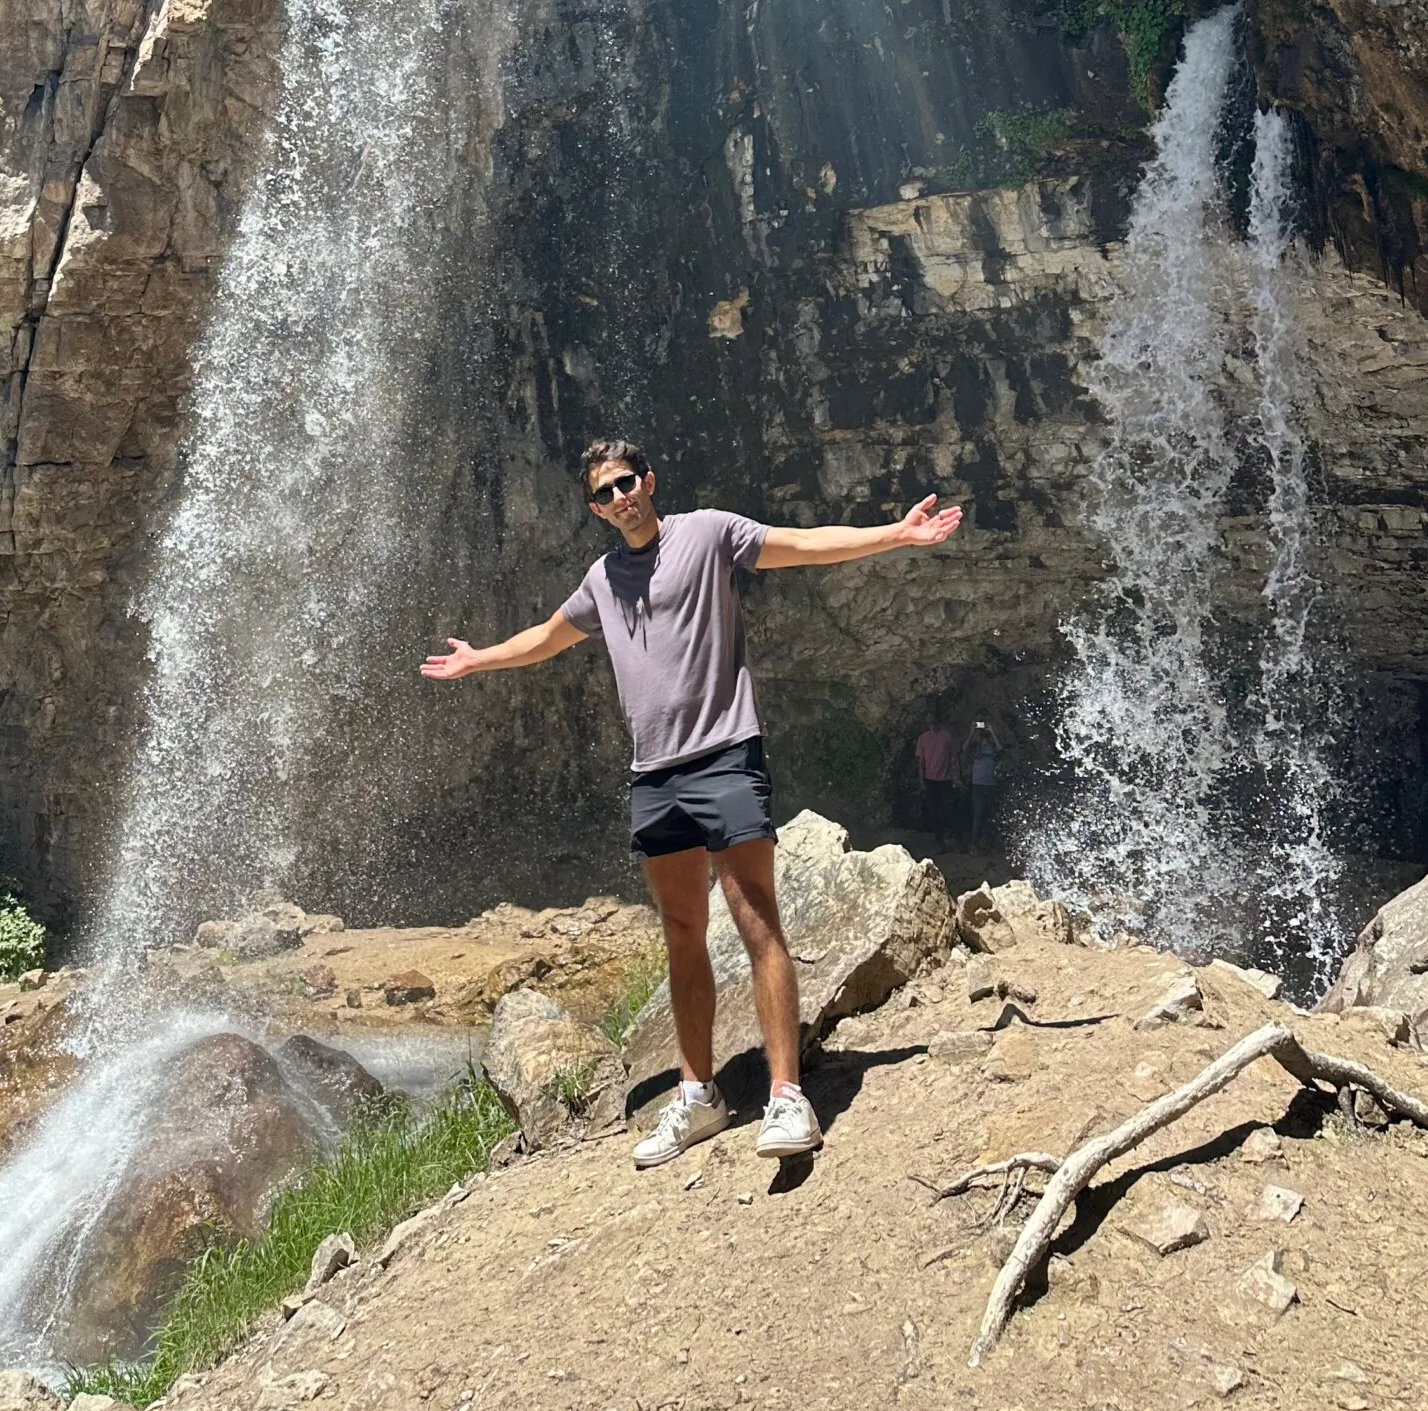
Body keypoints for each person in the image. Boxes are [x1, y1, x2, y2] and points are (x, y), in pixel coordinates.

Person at [423, 438, 962, 1168]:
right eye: (606, 492)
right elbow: (548, 638)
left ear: (651, 479)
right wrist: (479, 657)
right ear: (596, 507)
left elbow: (799, 545)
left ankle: (784, 1095)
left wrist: (895, 535)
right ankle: (699, 1094)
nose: (621, 498)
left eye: (627, 482)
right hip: (655, 777)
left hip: (725, 754)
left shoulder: (708, 533)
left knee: (756, 918)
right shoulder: (602, 579)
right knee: (682, 933)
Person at [912, 711, 960, 843]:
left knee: (949, 810)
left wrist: (956, 777)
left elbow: (954, 757)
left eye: (933, 719)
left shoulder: (946, 736)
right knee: (934, 812)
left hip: (945, 779)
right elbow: (921, 762)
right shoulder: (923, 738)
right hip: (930, 780)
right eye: (929, 719)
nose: (931, 722)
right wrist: (922, 781)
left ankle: (956, 839)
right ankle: (940, 841)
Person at [961, 715, 1004, 847]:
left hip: (990, 784)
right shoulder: (975, 746)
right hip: (978, 784)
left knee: (989, 814)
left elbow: (1000, 749)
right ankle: (975, 843)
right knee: (978, 813)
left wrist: (992, 731)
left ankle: (987, 842)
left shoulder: (992, 746)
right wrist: (971, 732)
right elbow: (964, 749)